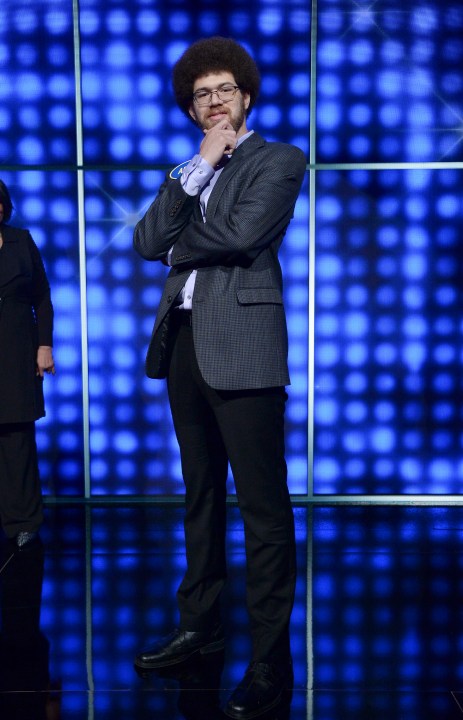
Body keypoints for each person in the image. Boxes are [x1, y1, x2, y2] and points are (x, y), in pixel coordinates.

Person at [133, 37, 306, 719]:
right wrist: (198, 167)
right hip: (182, 346)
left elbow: (242, 235)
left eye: (224, 90)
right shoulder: (189, 167)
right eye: (201, 94)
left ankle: (269, 658)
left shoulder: (278, 159)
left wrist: (182, 232)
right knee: (199, 497)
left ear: (246, 96)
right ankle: (200, 625)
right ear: (191, 107)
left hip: (244, 346)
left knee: (262, 510)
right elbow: (148, 243)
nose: (213, 102)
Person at [0, 179, 55, 549]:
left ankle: (23, 521)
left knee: (17, 439)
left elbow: (43, 298)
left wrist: (44, 346)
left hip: (17, 348)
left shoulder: (22, 241)